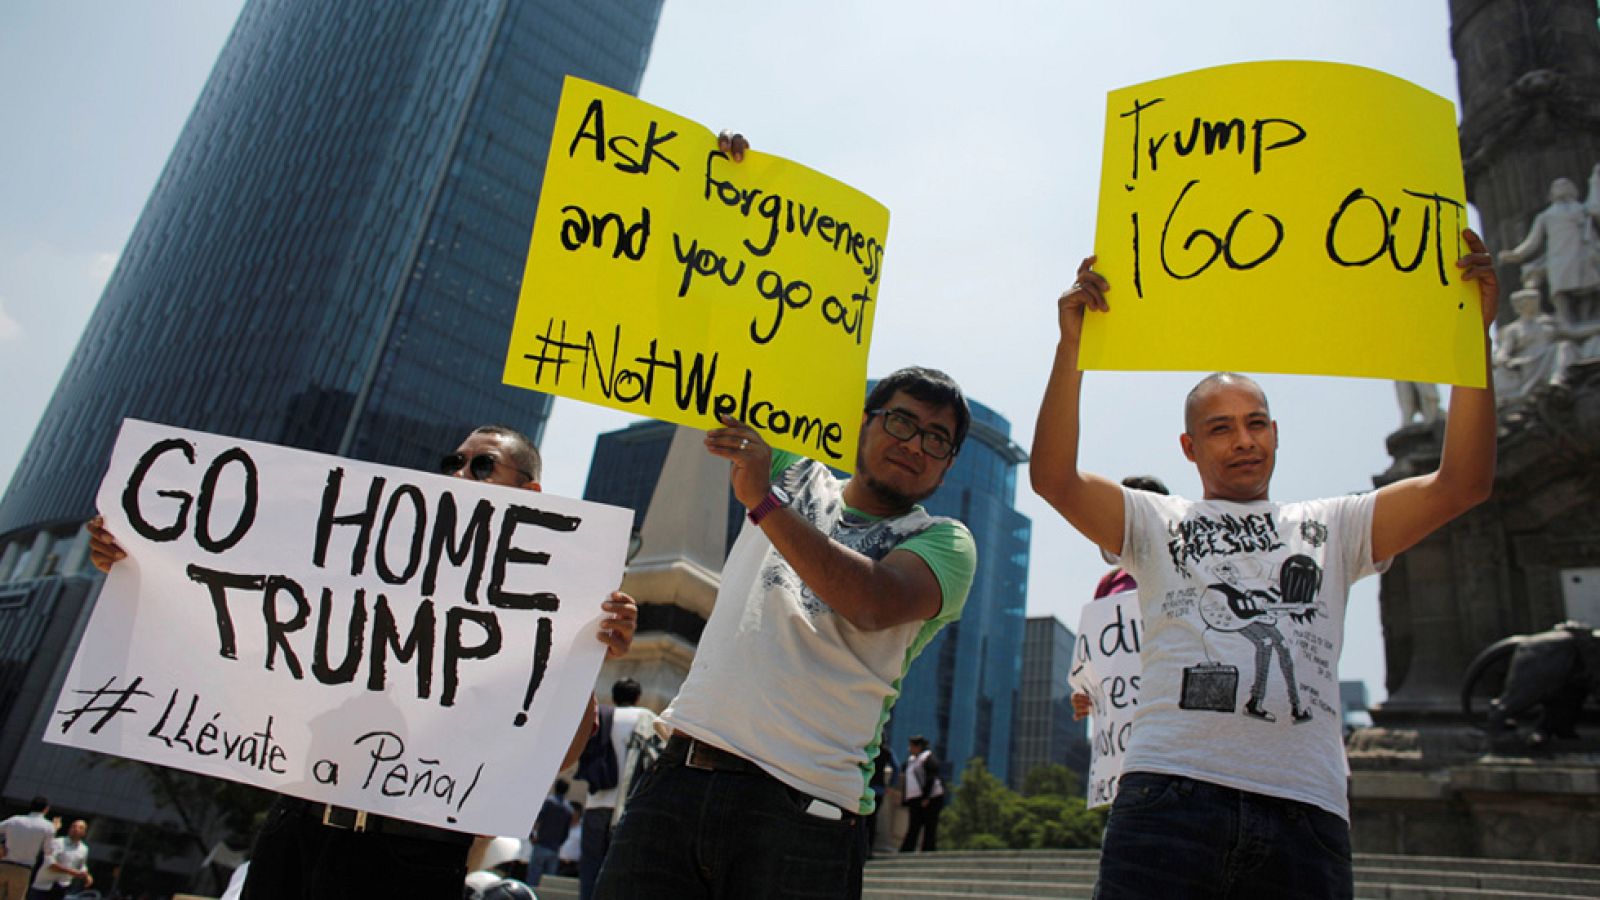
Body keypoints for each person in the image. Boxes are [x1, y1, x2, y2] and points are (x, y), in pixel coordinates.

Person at [1030, 230, 1499, 899]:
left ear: (1277, 432)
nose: (1244, 440)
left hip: (1305, 812)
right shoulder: (1154, 521)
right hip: (1168, 801)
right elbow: (1054, 479)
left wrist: (1470, 338)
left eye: (1257, 422)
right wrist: (1070, 345)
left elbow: (1462, 485)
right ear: (1189, 448)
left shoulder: (1338, 525)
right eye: (1221, 428)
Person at [87, 424, 638, 900]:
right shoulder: (370, 564)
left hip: (410, 857)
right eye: (454, 462)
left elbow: (559, 758)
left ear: (530, 491)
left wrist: (585, 655)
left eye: (483, 465)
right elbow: (247, 618)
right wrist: (142, 562)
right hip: (296, 827)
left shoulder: (549, 612)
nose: (460, 473)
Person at [593, 361, 979, 900]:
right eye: (900, 422)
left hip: (807, 811)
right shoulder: (791, 468)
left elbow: (871, 602)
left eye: (937, 439)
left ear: (948, 465)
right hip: (677, 781)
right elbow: (721, 378)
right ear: (862, 422)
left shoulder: (945, 543)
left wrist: (764, 503)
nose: (915, 444)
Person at [1073, 476, 1168, 722]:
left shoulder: (1185, 572)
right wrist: (1086, 694)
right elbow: (1097, 658)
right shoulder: (1109, 584)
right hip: (1121, 726)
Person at [575, 678, 658, 900]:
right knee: (620, 869)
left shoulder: (601, 715)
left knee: (591, 865)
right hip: (628, 805)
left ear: (613, 697)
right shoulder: (646, 717)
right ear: (638, 697)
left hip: (596, 801)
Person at [0, 798, 55, 900]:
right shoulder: (48, 826)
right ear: (46, 809)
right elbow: (49, 851)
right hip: (23, 869)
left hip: (3, 864)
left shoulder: (15, 820)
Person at [898, 736, 944, 853]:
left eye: (912, 746)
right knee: (914, 825)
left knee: (930, 825)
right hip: (915, 798)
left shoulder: (928, 758)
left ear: (918, 747)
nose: (909, 749)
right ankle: (907, 849)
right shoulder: (912, 760)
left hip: (932, 798)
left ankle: (928, 849)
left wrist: (926, 797)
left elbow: (931, 778)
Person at [28, 819, 90, 900]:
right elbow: (50, 865)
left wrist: (86, 875)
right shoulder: (57, 842)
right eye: (73, 826)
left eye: (80, 828)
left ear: (84, 833)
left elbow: (81, 865)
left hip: (62, 887)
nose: (76, 829)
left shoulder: (84, 849)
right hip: (43, 886)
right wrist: (73, 872)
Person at [527, 779, 572, 887]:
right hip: (555, 848)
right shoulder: (568, 809)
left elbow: (538, 820)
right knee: (548, 882)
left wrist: (533, 835)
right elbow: (566, 832)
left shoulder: (549, 802)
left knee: (533, 877)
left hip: (541, 844)